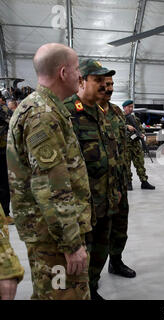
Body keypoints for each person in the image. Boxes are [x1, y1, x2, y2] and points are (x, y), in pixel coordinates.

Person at [7, 43, 92, 299]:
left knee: (49, 294)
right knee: (63, 295)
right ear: (63, 72)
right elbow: (51, 188)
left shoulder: (47, 108)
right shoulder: (42, 115)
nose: (81, 76)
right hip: (53, 238)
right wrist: (71, 244)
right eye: (77, 69)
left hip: (49, 233)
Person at [64, 59, 120, 300]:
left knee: (100, 251)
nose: (103, 86)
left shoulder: (103, 113)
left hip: (105, 202)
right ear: (81, 81)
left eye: (104, 80)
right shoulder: (66, 113)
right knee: (80, 259)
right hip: (81, 208)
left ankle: (92, 288)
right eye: (97, 80)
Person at [98, 76, 136, 279]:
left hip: (119, 182)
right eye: (104, 84)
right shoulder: (81, 111)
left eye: (111, 85)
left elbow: (122, 145)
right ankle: (91, 280)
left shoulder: (116, 112)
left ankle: (116, 262)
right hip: (96, 187)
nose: (108, 89)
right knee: (96, 236)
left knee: (120, 227)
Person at [122, 100, 155, 190]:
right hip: (125, 146)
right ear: (124, 107)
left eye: (132, 107)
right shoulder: (119, 118)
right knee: (126, 165)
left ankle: (144, 181)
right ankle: (128, 182)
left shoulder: (135, 119)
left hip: (136, 145)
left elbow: (140, 129)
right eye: (129, 107)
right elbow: (116, 127)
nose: (131, 108)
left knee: (140, 164)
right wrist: (126, 127)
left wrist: (142, 134)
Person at [0, 101, 13, 225]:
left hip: (3, 152)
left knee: (4, 184)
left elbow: (13, 121)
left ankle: (6, 214)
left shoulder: (4, 110)